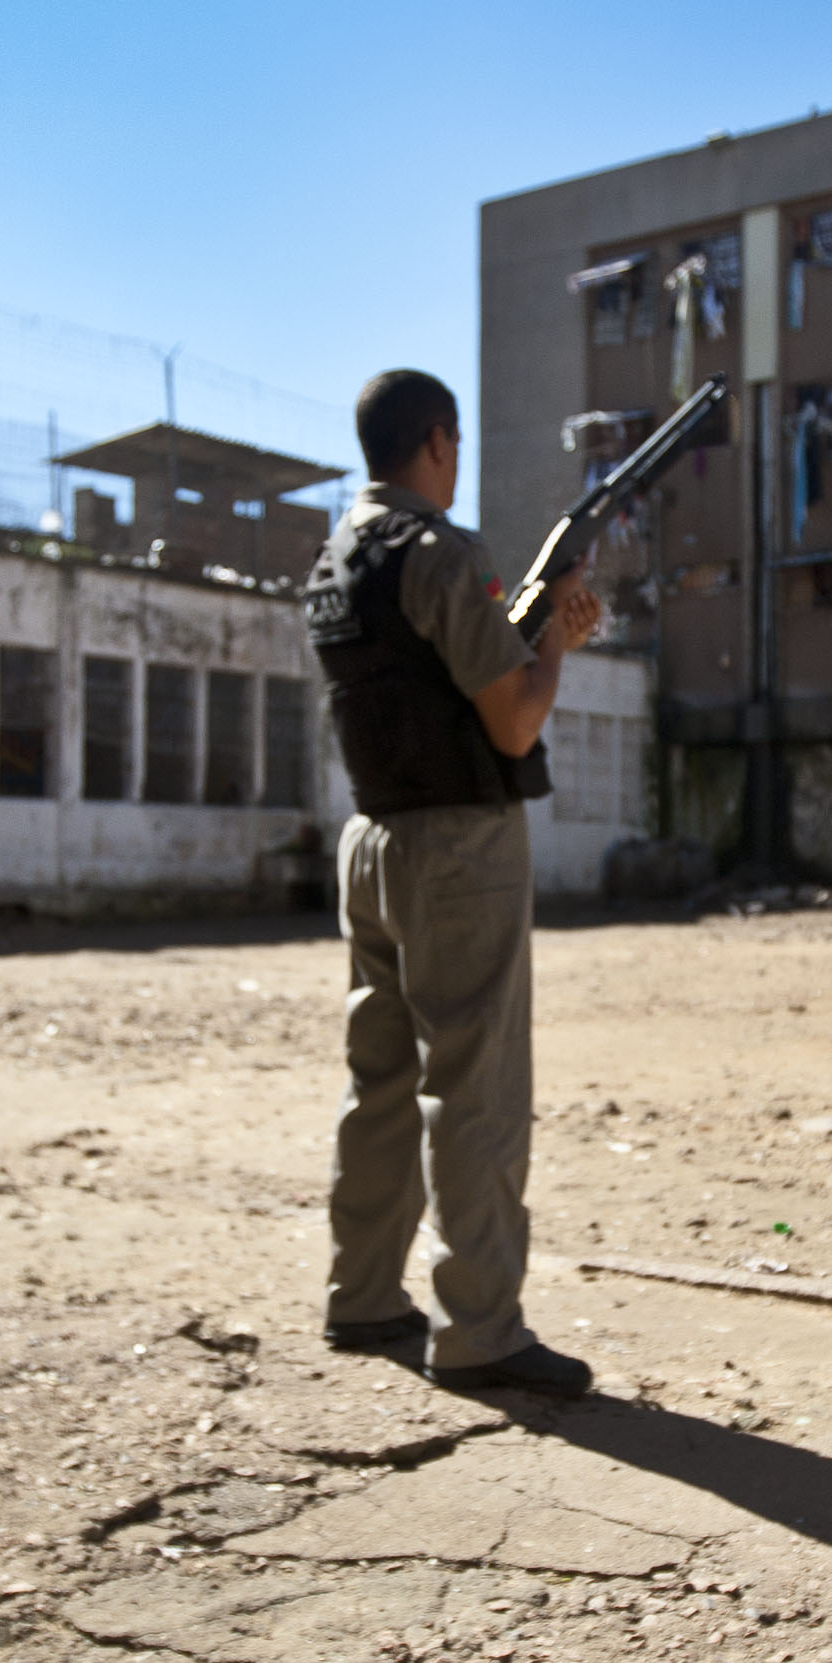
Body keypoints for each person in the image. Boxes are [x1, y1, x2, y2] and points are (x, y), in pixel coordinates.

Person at [305, 369, 605, 1396]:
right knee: (474, 1084)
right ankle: (481, 1328)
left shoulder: (339, 557)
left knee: (379, 1075)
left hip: (375, 835)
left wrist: (530, 627)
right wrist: (555, 636)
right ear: (436, 440)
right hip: (457, 851)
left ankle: (363, 1292)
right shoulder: (440, 551)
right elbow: (513, 719)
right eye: (458, 441)